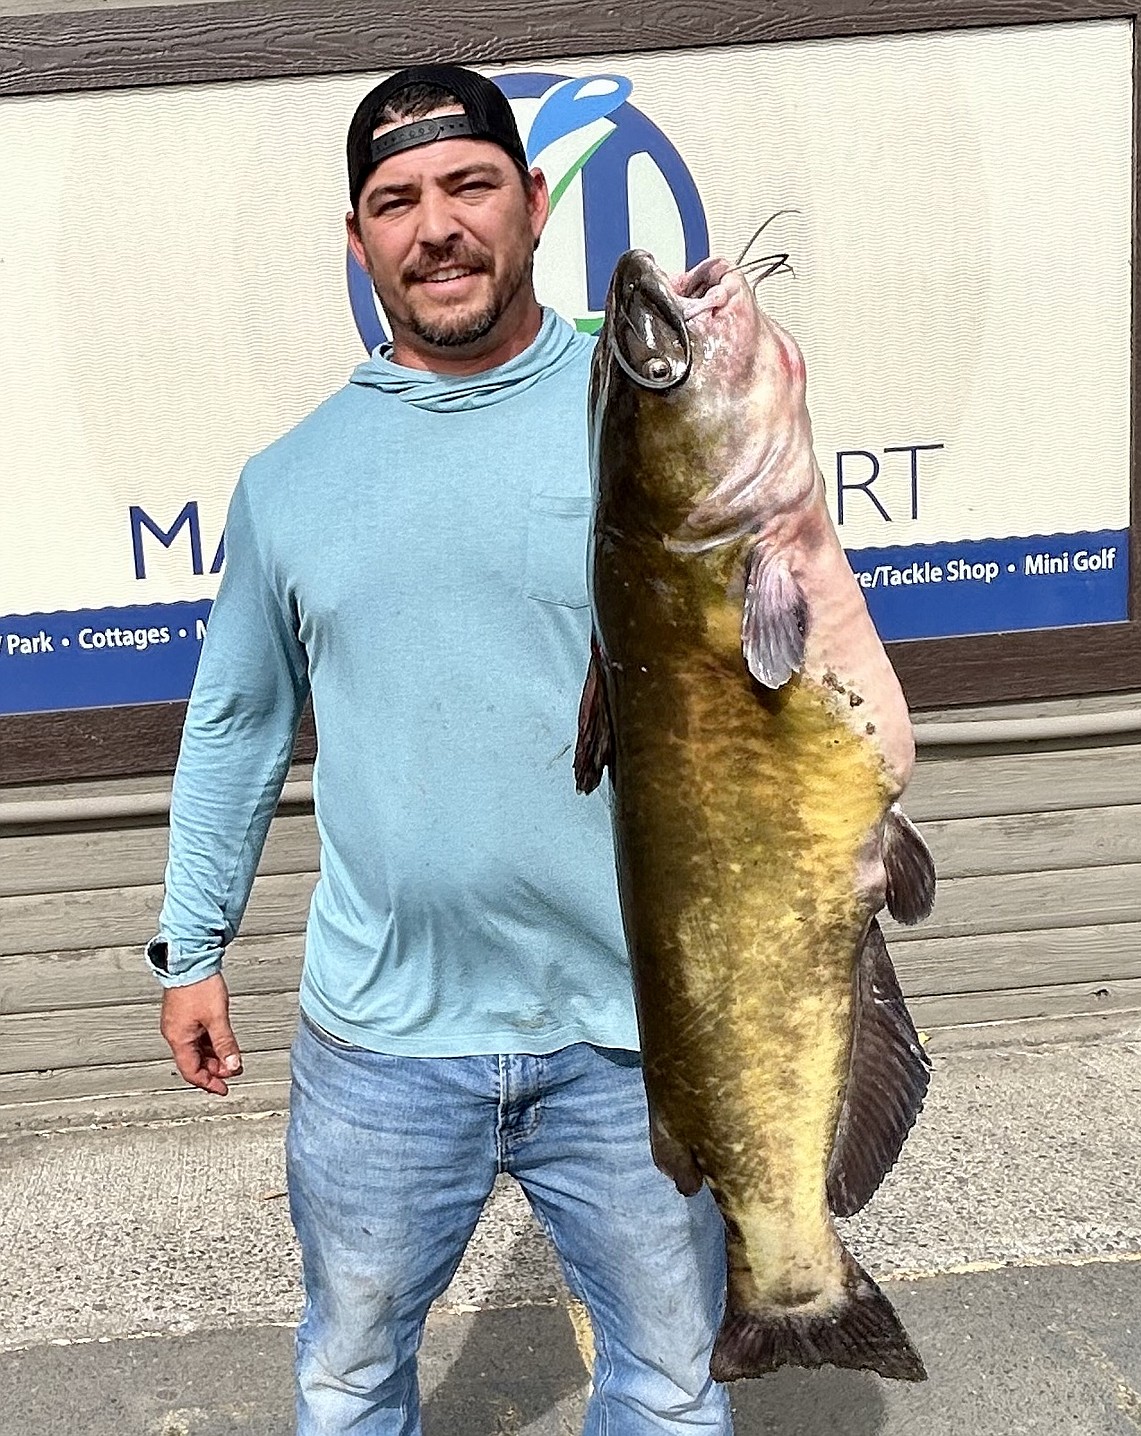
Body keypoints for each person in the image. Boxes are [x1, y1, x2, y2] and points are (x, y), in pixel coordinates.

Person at [147, 64, 732, 1436]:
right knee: (348, 1380)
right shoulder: (289, 480)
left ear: (532, 202)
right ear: (359, 244)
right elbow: (235, 726)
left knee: (671, 1383)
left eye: (469, 185)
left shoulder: (651, 419)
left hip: (631, 1032)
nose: (437, 226)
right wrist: (192, 945)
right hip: (382, 1047)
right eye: (395, 201)